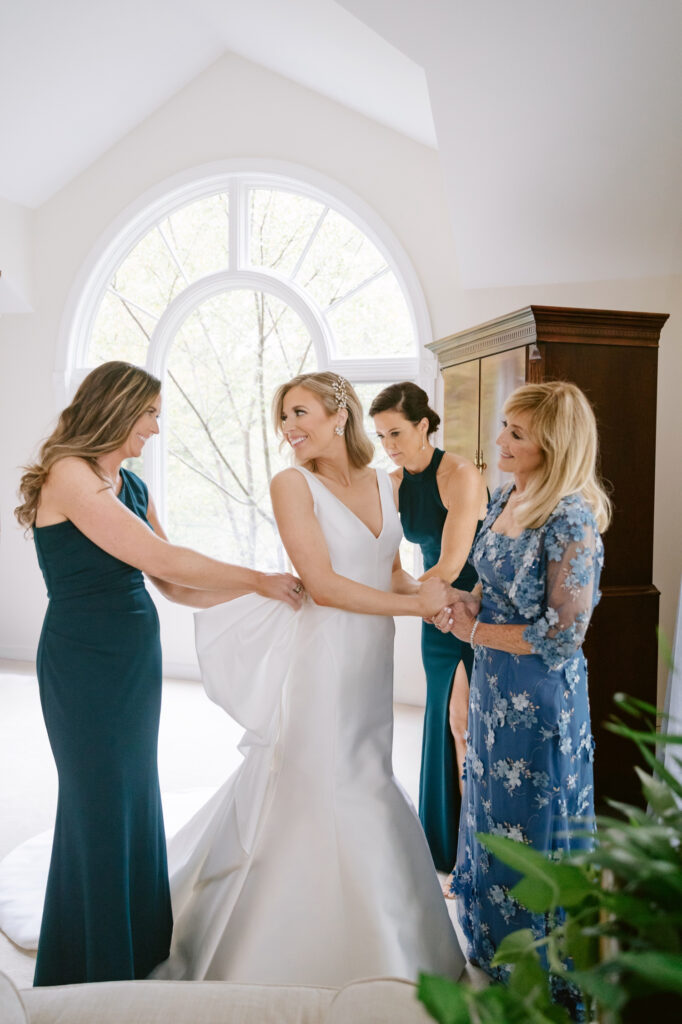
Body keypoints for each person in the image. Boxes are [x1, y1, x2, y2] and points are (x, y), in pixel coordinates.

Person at [150, 371, 464, 986]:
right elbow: (321, 585)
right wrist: (417, 607)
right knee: (321, 774)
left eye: (299, 414)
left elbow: (387, 575)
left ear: (338, 414)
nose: (288, 429)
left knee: (367, 770)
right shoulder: (292, 485)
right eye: (282, 420)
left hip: (369, 657)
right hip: (322, 657)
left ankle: (392, 937)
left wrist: (442, 595)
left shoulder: (385, 483)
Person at [13, 361, 303, 987]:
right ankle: (90, 957)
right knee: (98, 799)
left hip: (133, 657)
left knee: (133, 791)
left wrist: (261, 594)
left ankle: (137, 941)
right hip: (83, 659)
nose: (156, 427)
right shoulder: (70, 474)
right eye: (149, 413)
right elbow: (157, 554)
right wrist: (255, 576)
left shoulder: (132, 485)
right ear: (117, 409)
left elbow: (173, 583)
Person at [436, 381, 610, 1011]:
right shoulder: (508, 494)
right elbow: (493, 586)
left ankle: (546, 970)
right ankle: (492, 946)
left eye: (517, 432)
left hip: (539, 700)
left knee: (536, 822)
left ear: (554, 444)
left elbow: (564, 634)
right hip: (491, 689)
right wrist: (466, 603)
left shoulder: (570, 517)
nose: (500, 441)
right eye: (503, 426)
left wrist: (474, 628)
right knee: (488, 805)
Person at [370, 382, 488, 872]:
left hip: (476, 604)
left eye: (396, 432)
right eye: (380, 436)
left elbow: (457, 559)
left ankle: (475, 854)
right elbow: (390, 565)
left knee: (465, 723)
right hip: (434, 610)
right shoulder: (393, 484)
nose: (389, 444)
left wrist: (429, 602)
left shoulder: (460, 473)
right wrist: (415, 602)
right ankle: (445, 846)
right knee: (445, 718)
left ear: (424, 425)